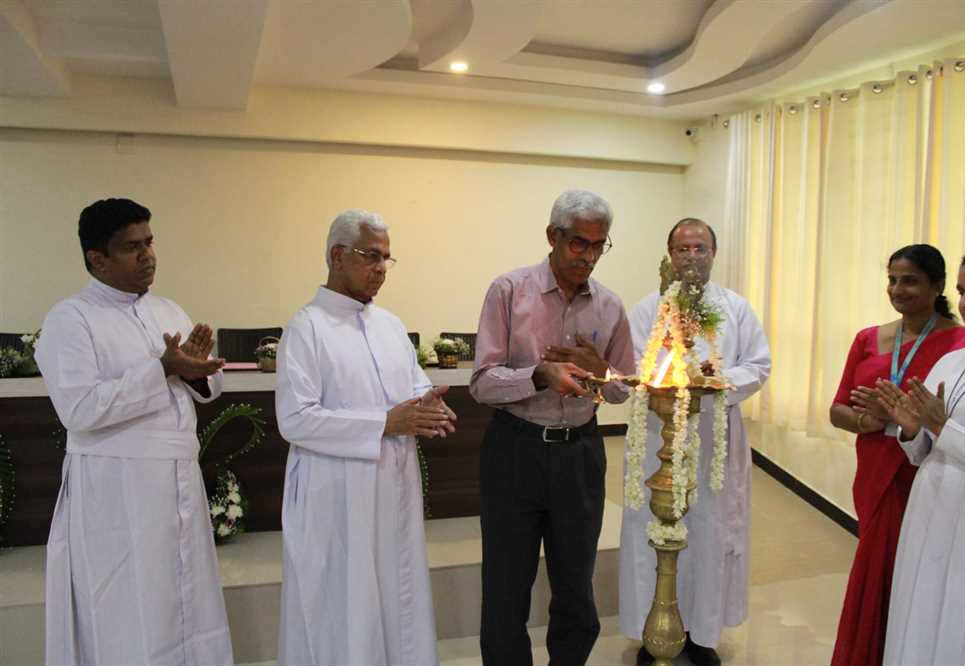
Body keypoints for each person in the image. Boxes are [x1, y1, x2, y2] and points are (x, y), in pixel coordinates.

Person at [35, 198, 232, 665]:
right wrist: (161, 368)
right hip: (117, 494)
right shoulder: (70, 319)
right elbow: (80, 409)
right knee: (129, 612)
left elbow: (207, 386)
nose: (148, 255)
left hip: (178, 483)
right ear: (96, 258)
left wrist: (196, 371)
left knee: (188, 606)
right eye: (131, 247)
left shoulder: (169, 310)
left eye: (150, 242)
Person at [275, 209, 456, 666]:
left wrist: (429, 405)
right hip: (338, 494)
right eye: (371, 256)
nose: (381, 269)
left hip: (393, 485)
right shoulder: (306, 328)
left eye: (386, 259)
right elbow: (295, 419)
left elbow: (413, 388)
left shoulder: (390, 326)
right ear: (337, 256)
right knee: (347, 600)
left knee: (399, 590)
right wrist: (384, 424)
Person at [471, 189, 634, 665]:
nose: (587, 257)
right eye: (578, 244)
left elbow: (623, 390)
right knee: (505, 586)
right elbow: (481, 382)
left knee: (575, 585)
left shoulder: (610, 306)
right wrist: (538, 375)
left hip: (579, 454)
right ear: (552, 236)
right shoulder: (508, 291)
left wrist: (601, 369)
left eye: (598, 246)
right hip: (515, 451)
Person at [620, 218, 771, 666]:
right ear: (669, 255)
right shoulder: (649, 310)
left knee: (708, 531)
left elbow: (759, 365)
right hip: (657, 437)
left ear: (714, 254)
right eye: (682, 249)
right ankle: (653, 631)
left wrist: (717, 381)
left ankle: (701, 633)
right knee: (653, 529)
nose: (691, 257)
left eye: (700, 248)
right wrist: (670, 382)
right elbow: (631, 364)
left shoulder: (736, 309)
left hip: (713, 442)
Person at [829, 244, 965, 666]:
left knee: (908, 569)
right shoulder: (869, 338)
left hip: (925, 472)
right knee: (874, 564)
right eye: (892, 279)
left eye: (909, 280)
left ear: (938, 285)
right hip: (874, 471)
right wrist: (864, 422)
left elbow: (958, 421)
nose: (897, 289)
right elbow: (837, 408)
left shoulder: (962, 345)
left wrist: (898, 419)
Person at [877, 245, 965, 666]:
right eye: (963, 290)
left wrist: (943, 429)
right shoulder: (952, 360)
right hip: (931, 515)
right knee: (923, 614)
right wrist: (912, 430)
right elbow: (920, 454)